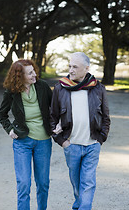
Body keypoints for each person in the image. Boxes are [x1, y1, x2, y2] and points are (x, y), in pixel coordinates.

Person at [50, 52, 110, 210]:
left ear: (86, 68)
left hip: (92, 144)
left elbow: (105, 116)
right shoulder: (60, 88)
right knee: (76, 182)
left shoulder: (98, 88)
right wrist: (62, 141)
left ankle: (83, 207)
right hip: (72, 145)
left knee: (88, 182)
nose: (71, 70)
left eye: (75, 67)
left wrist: (101, 138)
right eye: (69, 66)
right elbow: (52, 117)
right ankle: (79, 203)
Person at [0, 59, 52, 210]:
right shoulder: (12, 91)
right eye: (30, 73)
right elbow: (2, 114)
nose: (35, 75)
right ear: (19, 76)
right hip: (22, 142)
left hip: (44, 141)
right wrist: (9, 129)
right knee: (24, 184)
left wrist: (58, 124)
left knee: (43, 183)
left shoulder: (42, 87)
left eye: (34, 70)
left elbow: (55, 108)